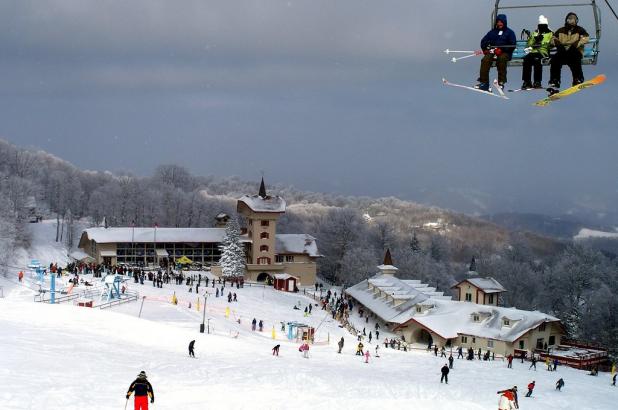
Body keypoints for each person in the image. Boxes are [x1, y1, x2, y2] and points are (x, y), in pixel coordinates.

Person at [549, 12, 589, 88]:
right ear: (566, 20)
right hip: (563, 52)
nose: (572, 21)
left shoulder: (580, 30)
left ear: (576, 21)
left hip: (574, 51)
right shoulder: (561, 30)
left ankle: (577, 78)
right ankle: (555, 80)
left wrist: (577, 43)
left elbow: (586, 38)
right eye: (570, 19)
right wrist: (557, 43)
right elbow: (553, 38)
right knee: (555, 60)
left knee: (575, 60)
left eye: (574, 19)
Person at [477, 14, 517, 91]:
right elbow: (483, 41)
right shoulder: (492, 32)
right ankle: (484, 82)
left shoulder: (509, 32)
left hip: (505, 53)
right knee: (485, 60)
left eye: (501, 22)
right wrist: (486, 48)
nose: (499, 24)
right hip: (493, 51)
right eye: (498, 22)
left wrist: (502, 49)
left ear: (504, 22)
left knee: (501, 59)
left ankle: (501, 82)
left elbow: (512, 44)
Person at [522, 15, 553, 89]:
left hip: (542, 52)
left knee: (537, 60)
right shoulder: (535, 34)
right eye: (540, 25)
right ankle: (527, 81)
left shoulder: (550, 34)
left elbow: (549, 44)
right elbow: (528, 45)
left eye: (543, 25)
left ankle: (537, 81)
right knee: (526, 60)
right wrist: (534, 40)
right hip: (533, 51)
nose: (541, 27)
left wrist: (541, 42)